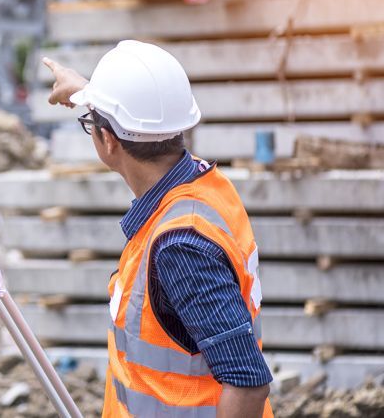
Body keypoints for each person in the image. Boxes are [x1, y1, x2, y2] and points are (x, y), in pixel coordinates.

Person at [44, 40, 273, 418]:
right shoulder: (202, 185)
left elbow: (247, 382)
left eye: (93, 125)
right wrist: (90, 94)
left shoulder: (181, 246)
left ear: (108, 141)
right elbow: (147, 114)